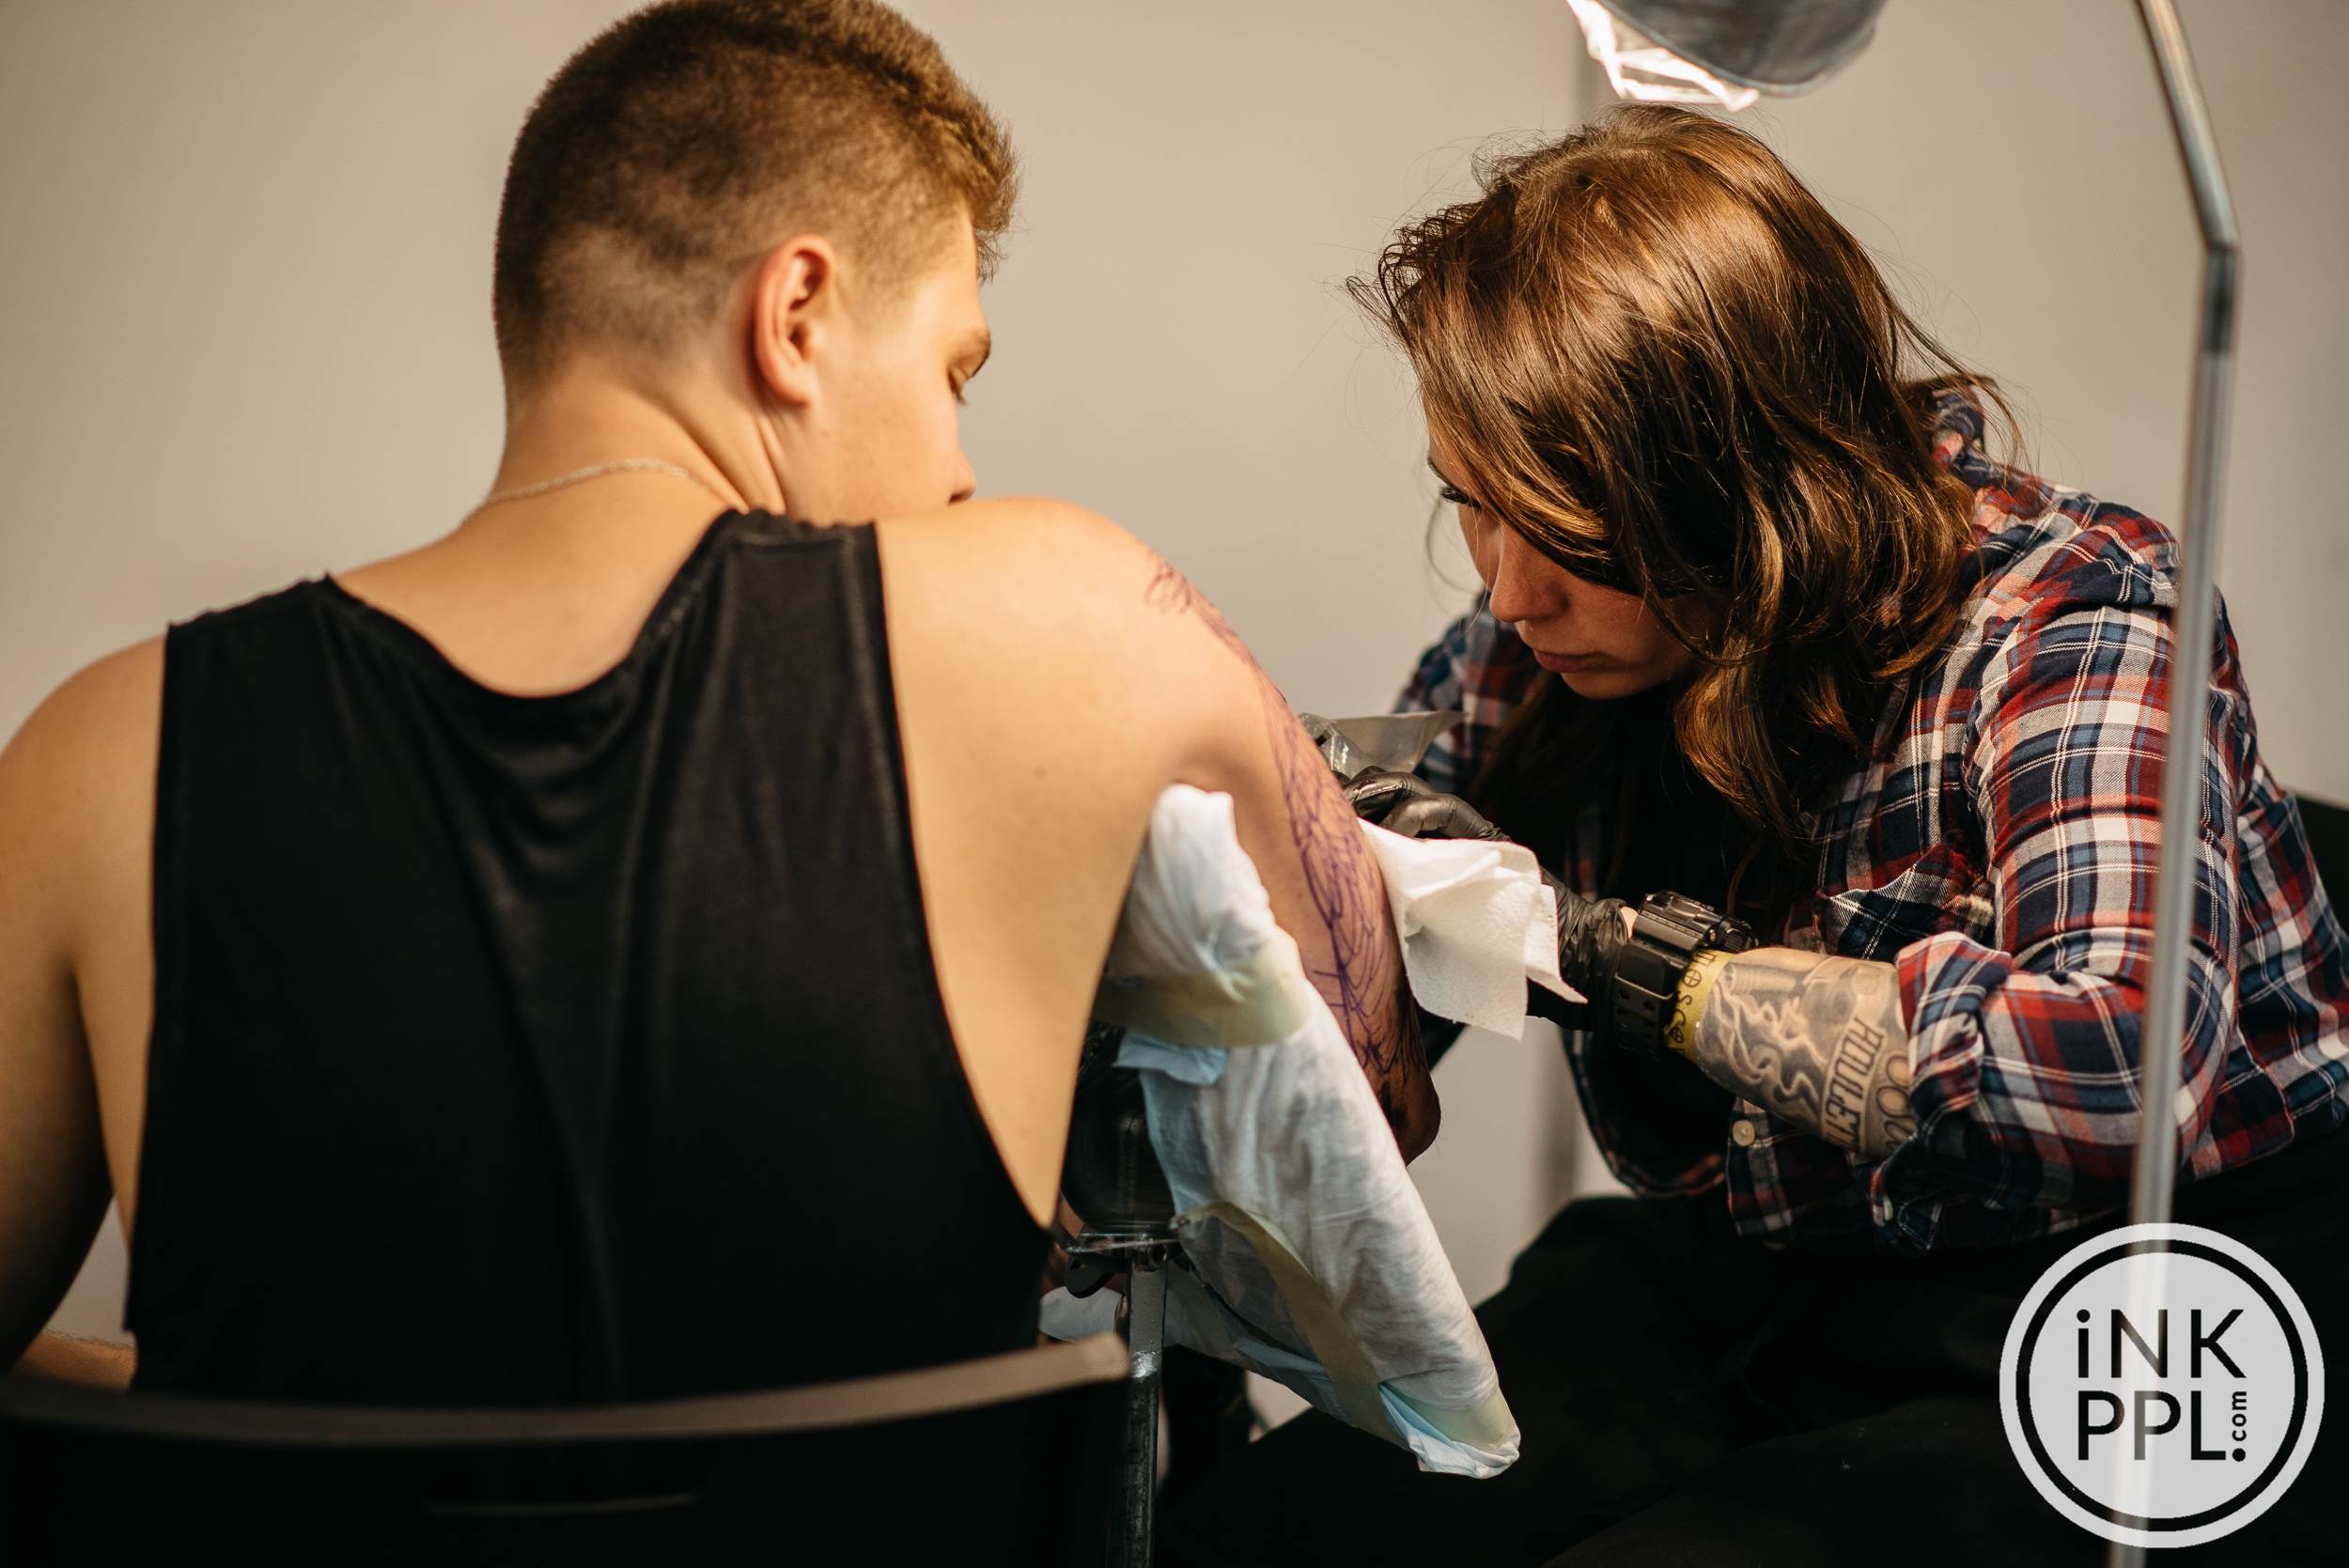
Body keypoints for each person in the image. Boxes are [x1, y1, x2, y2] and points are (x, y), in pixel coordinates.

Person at [0, 0, 1432, 1408]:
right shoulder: (1074, 607)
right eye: (954, 372)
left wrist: (185, 1412)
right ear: (795, 317)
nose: (958, 472)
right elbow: (1377, 1100)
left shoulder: (99, 757)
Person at [1168, 107, 2346, 1566]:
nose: (1512, 592)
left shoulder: (2073, 615)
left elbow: (2119, 1062)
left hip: (2125, 1301)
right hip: (1774, 1253)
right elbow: (1347, 898)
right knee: (1273, 1534)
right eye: (1473, 504)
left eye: (1568, 523)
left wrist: (1633, 964)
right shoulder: (1540, 641)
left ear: (1752, 481)